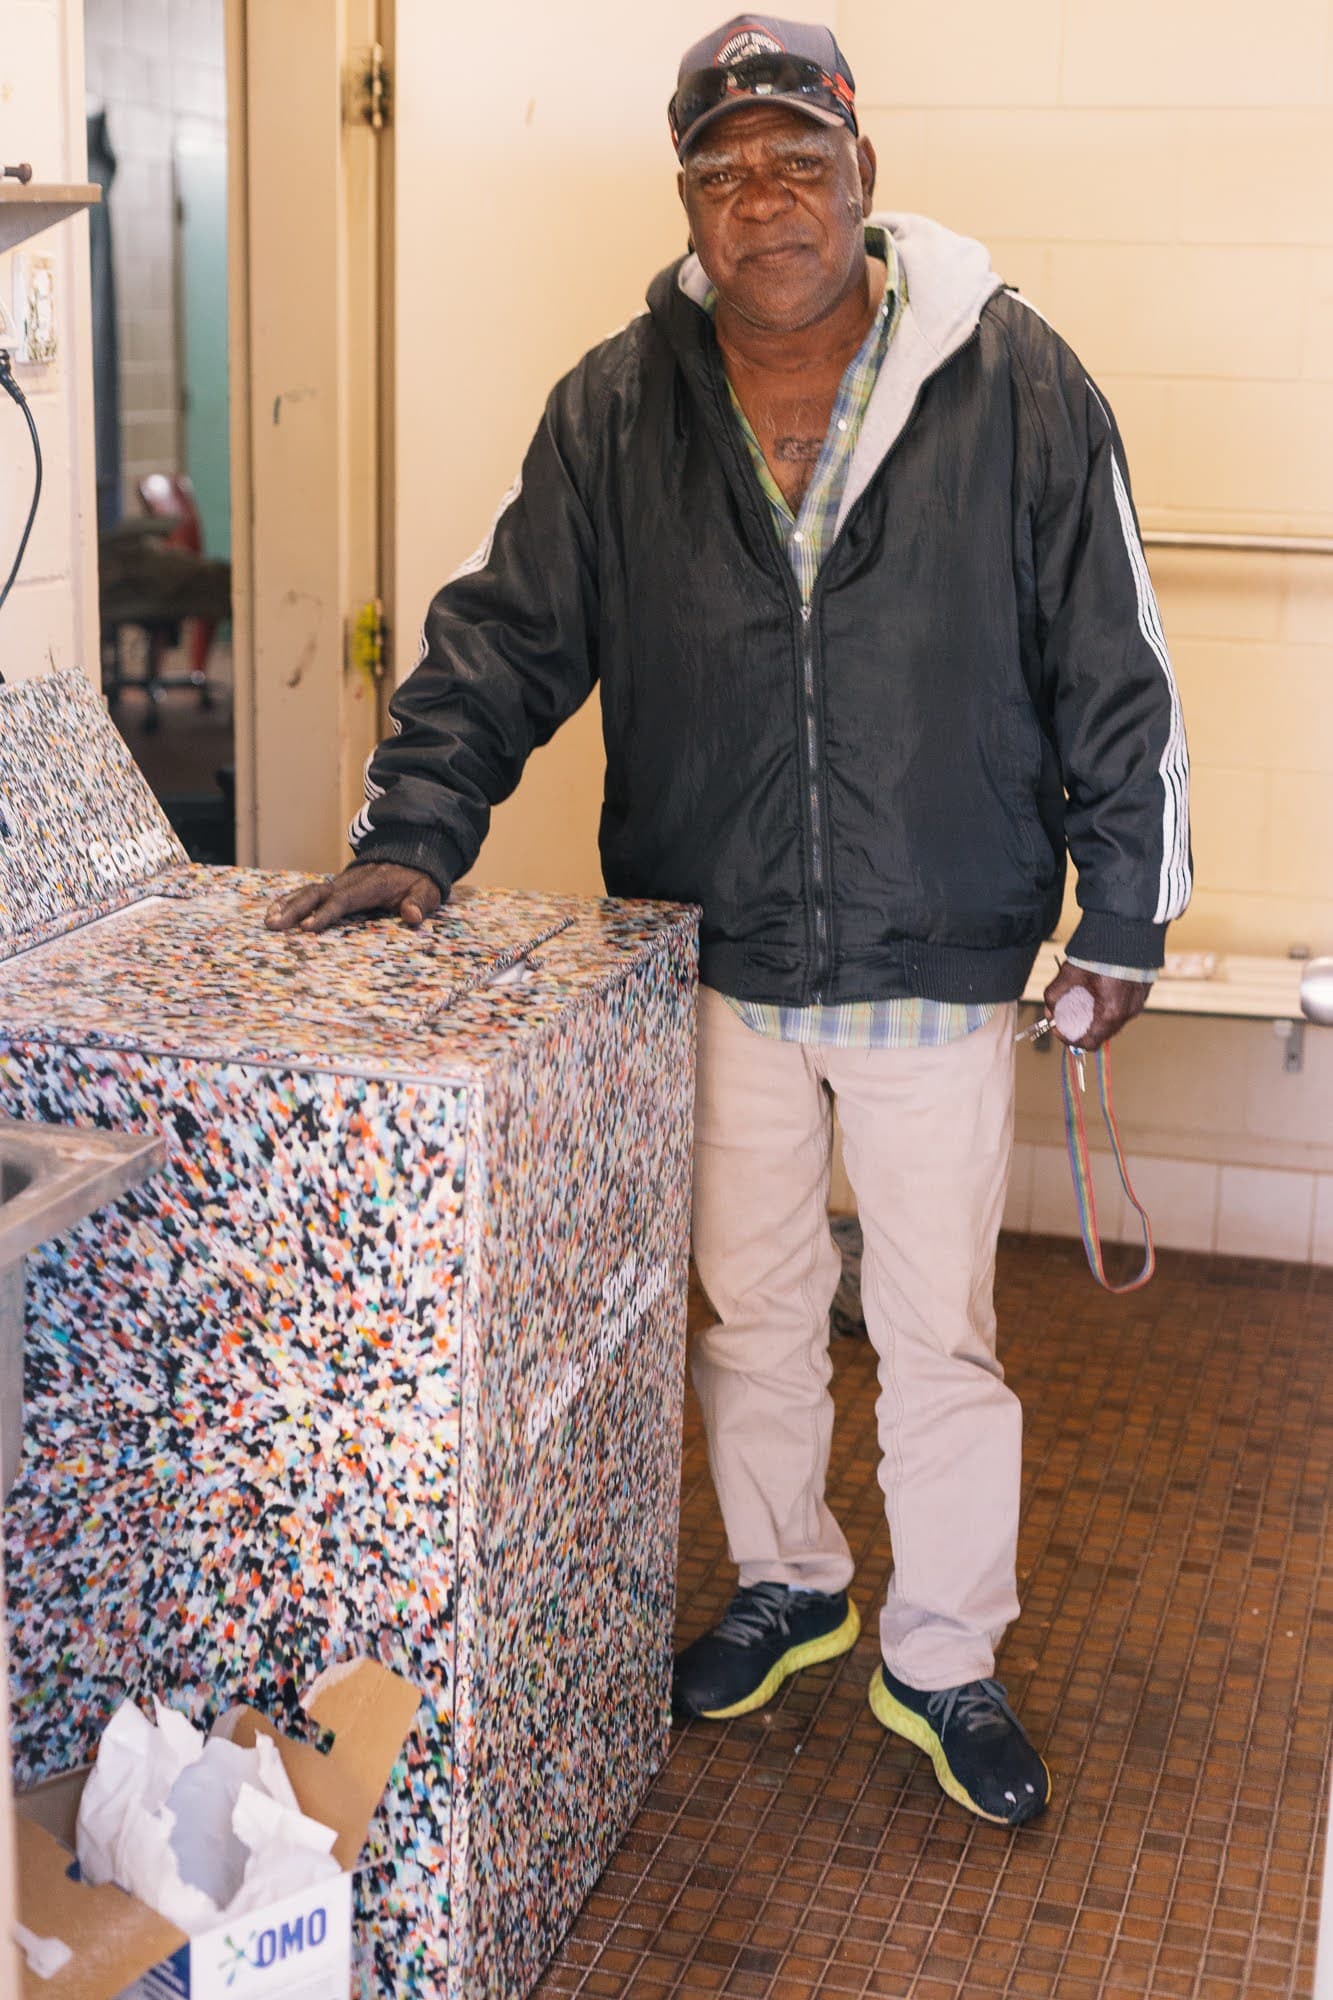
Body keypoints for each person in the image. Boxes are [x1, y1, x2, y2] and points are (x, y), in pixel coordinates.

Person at [267, 15, 1190, 1829]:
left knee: (937, 1333)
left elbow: (1113, 665)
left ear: (862, 165)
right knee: (754, 1306)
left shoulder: (1011, 379)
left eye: (794, 157)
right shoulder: (619, 402)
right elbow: (505, 638)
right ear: (685, 196)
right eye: (721, 167)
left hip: (938, 939)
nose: (760, 198)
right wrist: (412, 831)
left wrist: (1125, 919)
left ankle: (942, 1654)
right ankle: (789, 1582)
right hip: (710, 945)